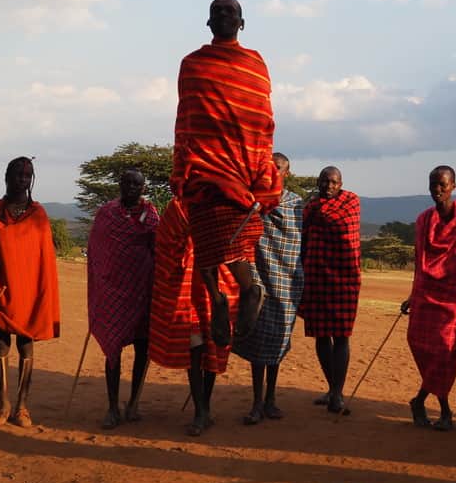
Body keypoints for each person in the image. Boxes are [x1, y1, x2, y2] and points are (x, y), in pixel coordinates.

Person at [171, 0, 281, 349]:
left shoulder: (255, 64)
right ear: (207, 22)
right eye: (216, 11)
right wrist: (180, 165)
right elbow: (185, 117)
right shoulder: (192, 64)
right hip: (201, 165)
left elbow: (262, 120)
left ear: (242, 22)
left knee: (231, 243)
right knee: (204, 243)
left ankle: (250, 291)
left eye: (229, 11)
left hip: (239, 170)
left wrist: (262, 169)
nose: (222, 15)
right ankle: (218, 300)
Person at [0, 157, 62, 428]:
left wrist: (41, 294)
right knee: (1, 344)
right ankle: (3, 405)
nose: (22, 179)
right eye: (18, 174)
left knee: (25, 344)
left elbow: (44, 259)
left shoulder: (38, 214)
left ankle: (22, 406)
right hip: (0, 289)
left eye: (27, 175)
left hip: (30, 290)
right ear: (6, 176)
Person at [402, 166, 456, 431]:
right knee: (420, 346)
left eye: (442, 184)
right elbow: (419, 263)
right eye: (433, 184)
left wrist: (446, 273)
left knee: (445, 352)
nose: (437, 189)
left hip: (455, 299)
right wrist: (413, 296)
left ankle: (437, 408)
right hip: (426, 296)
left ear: (454, 186)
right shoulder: (424, 219)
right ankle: (427, 405)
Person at [149, 197, 235, 437]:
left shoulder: (222, 208)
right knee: (195, 349)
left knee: (213, 348)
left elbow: (234, 245)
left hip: (216, 288)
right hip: (186, 290)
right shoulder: (176, 209)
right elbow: (164, 245)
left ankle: (205, 406)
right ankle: (200, 411)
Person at [233, 154, 305, 424]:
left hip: (288, 282)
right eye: (269, 169)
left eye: (278, 169)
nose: (273, 173)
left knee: (278, 342)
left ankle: (271, 400)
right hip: (259, 279)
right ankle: (256, 402)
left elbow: (298, 243)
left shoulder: (295, 204)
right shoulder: (252, 201)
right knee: (258, 339)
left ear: (287, 172)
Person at [87, 169, 158, 429]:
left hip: (142, 292)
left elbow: (158, 249)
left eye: (137, 184)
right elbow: (96, 251)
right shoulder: (106, 214)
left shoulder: (151, 214)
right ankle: (112, 407)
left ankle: (134, 403)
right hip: (114, 293)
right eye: (127, 182)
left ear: (143, 187)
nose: (131, 187)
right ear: (119, 184)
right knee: (113, 349)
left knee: (143, 349)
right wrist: (100, 286)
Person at [299, 165, 362, 414]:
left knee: (342, 336)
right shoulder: (310, 208)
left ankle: (337, 393)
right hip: (316, 278)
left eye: (334, 182)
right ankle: (333, 389)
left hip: (345, 278)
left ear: (341, 183)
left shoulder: (351, 202)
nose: (329, 186)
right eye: (324, 181)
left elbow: (340, 225)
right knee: (322, 335)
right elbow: (302, 235)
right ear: (318, 182)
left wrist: (317, 212)